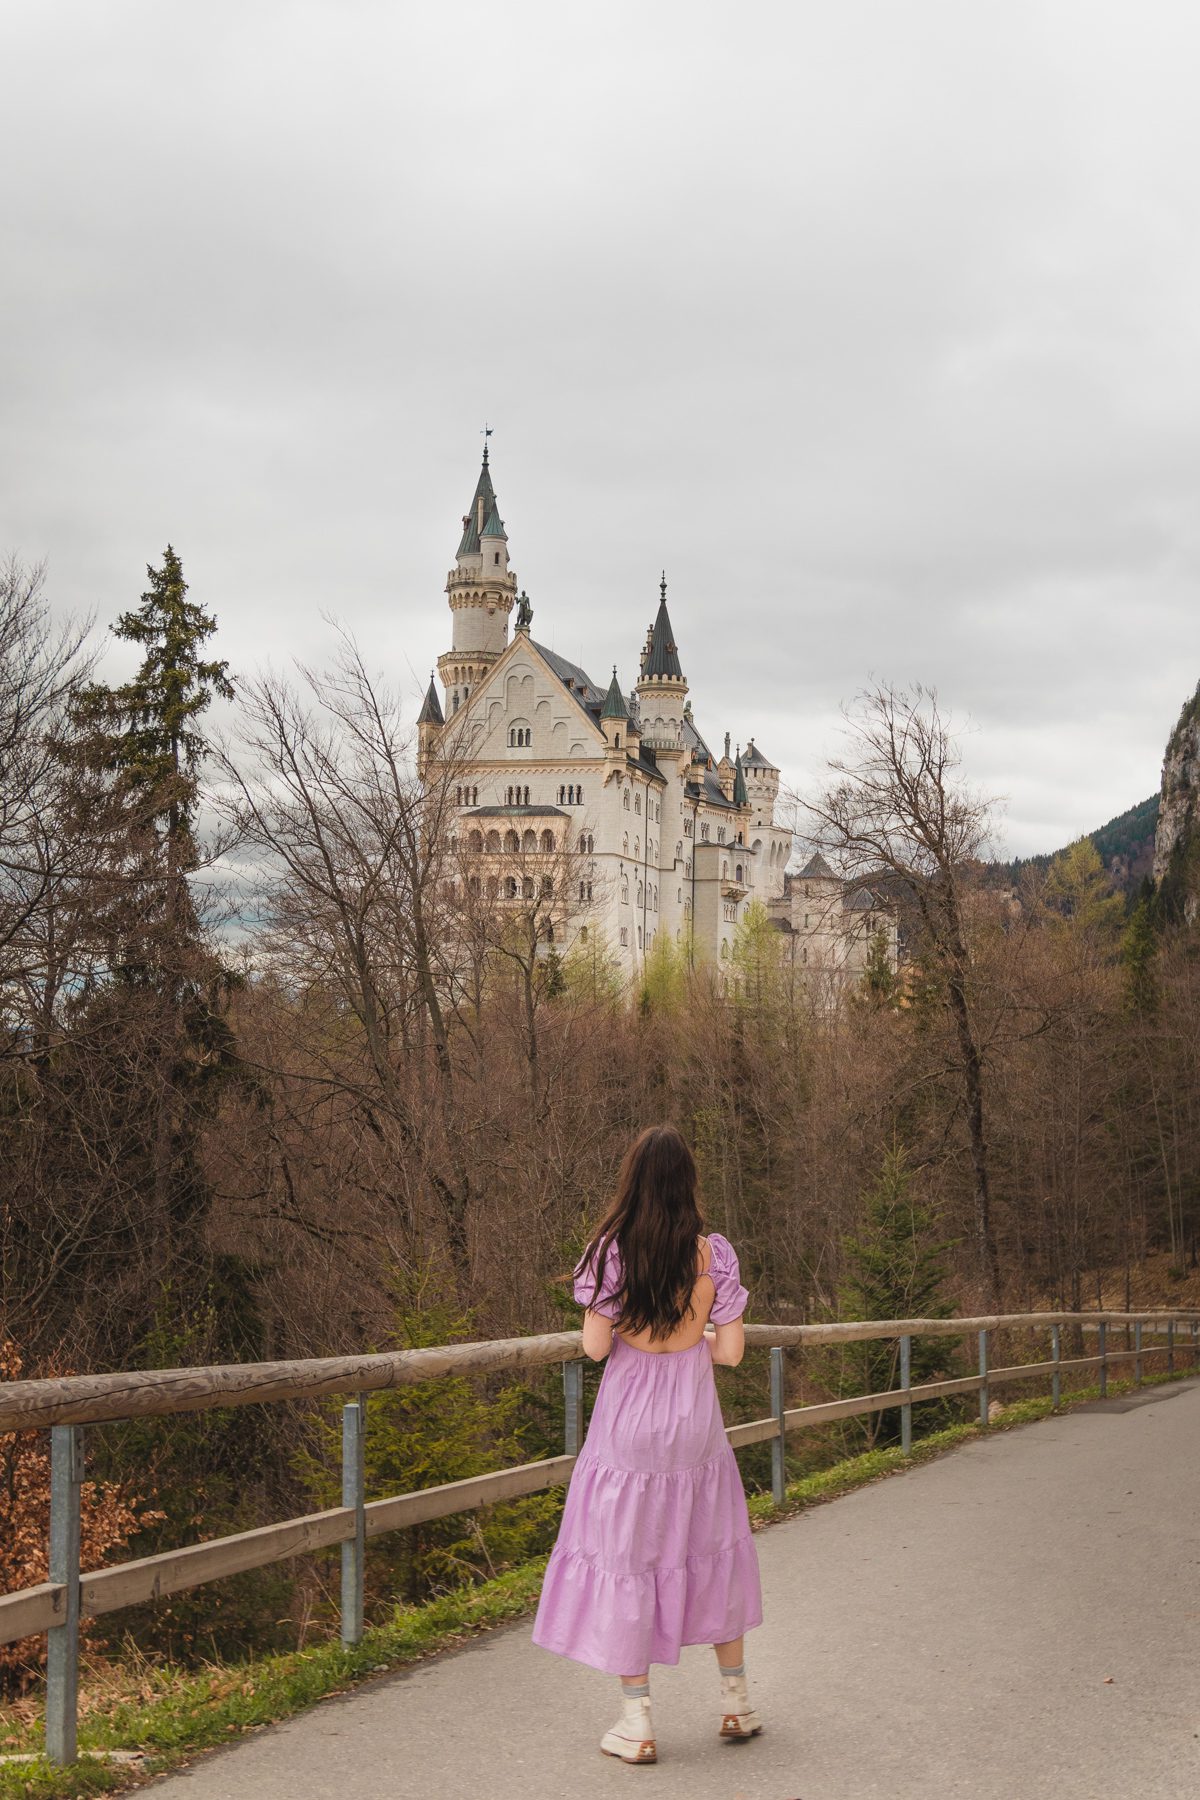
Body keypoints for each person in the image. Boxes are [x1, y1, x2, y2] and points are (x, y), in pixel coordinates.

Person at [530, 1123, 764, 1765]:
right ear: (688, 1183)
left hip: (630, 1429)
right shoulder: (713, 1254)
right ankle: (737, 1703)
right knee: (713, 1548)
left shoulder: (612, 1252)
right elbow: (735, 1353)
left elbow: (596, 1346)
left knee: (629, 1558)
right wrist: (698, 1341)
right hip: (695, 1426)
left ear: (632, 1181)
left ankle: (637, 1723)